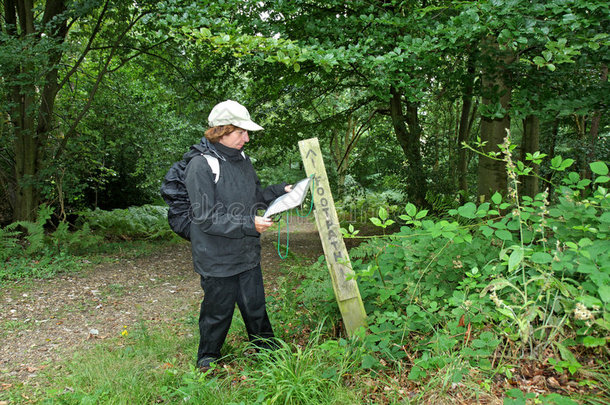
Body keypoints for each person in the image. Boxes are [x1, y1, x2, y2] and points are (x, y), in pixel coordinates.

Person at [183, 100, 291, 371]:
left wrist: (280, 191)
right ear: (221, 131)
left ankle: (267, 351)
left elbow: (254, 199)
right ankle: (207, 359)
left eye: (246, 131)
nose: (247, 137)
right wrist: (248, 224)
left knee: (255, 306)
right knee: (217, 313)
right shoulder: (201, 165)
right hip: (216, 258)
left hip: (246, 252)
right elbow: (205, 217)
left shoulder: (243, 160)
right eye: (241, 132)